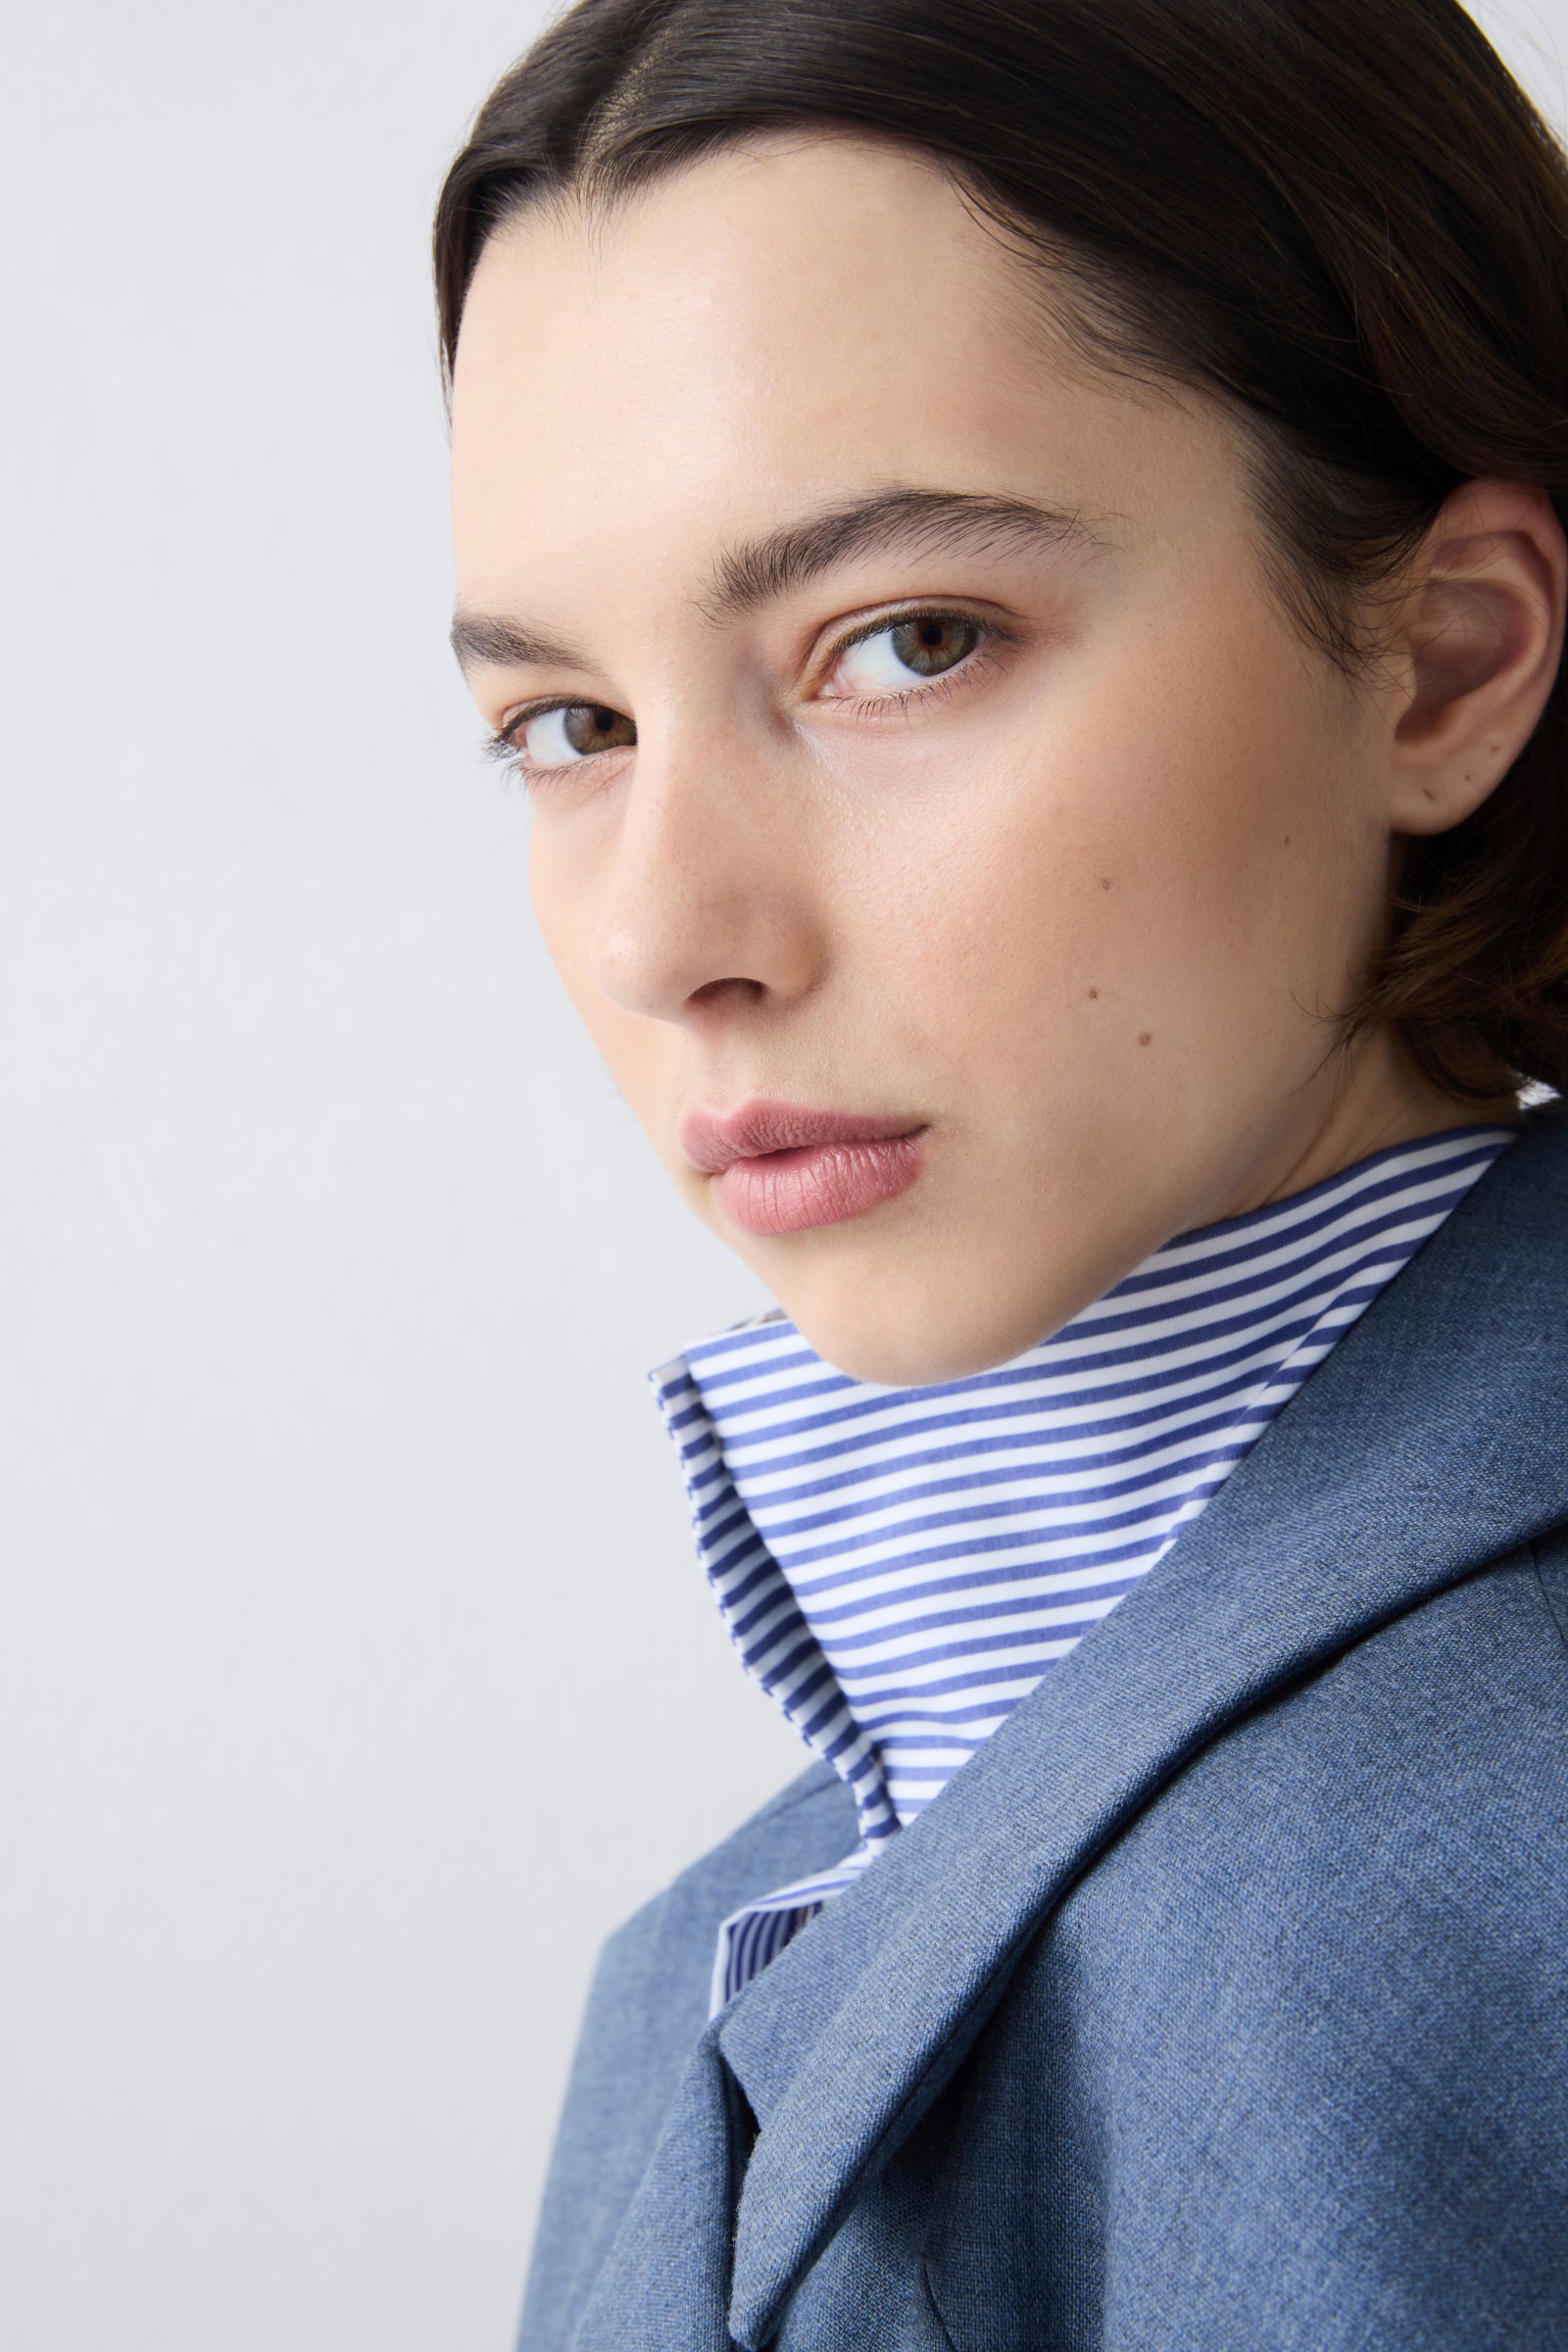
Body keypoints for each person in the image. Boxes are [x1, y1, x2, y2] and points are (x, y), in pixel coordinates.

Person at [435, 0, 1568, 2342]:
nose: (664, 933)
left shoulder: (1477, 1869)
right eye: (567, 726)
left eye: (903, 642)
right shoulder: (704, 1969)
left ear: (1445, 664)